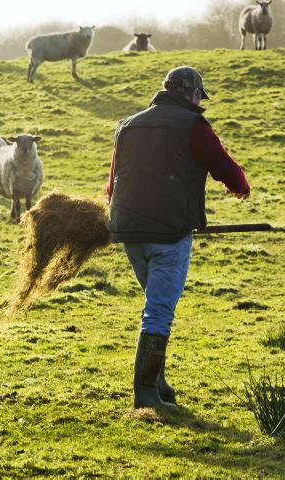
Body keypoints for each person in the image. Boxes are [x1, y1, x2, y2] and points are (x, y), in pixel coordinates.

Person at [105, 66, 250, 409]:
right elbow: (227, 170)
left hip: (129, 230)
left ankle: (158, 382)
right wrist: (241, 187)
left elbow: (113, 182)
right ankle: (145, 395)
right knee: (158, 311)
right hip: (169, 233)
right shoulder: (193, 126)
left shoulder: (128, 125)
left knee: (154, 305)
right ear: (191, 92)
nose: (200, 101)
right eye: (200, 95)